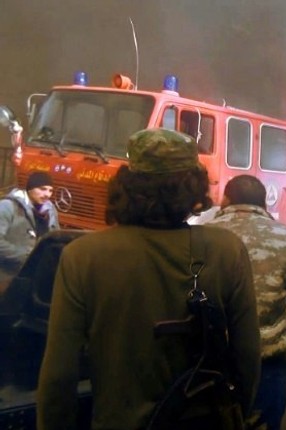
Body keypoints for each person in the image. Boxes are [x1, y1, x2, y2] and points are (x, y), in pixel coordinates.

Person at [37, 128, 261, 430]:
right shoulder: (227, 250)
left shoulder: (82, 256)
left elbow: (58, 377)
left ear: (125, 184)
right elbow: (247, 358)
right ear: (194, 188)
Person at [207, 175, 286, 430]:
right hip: (266, 372)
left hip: (206, 369)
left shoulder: (202, 236)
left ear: (226, 201)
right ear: (263, 204)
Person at [0, 171, 60, 290]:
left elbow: (56, 238)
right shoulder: (7, 206)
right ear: (30, 188)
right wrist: (27, 256)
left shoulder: (50, 210)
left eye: (50, 190)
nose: (47, 194)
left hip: (37, 277)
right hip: (8, 277)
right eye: (42, 189)